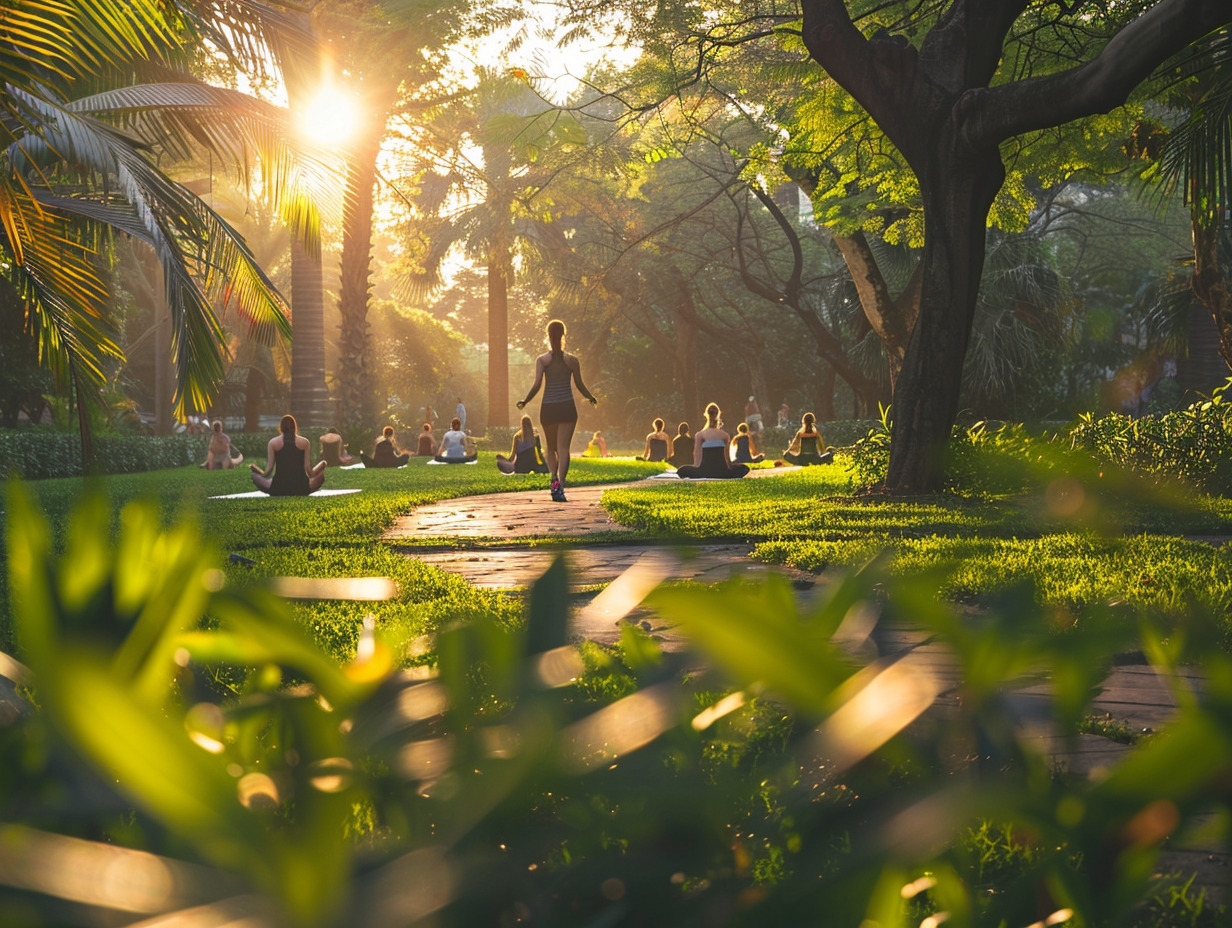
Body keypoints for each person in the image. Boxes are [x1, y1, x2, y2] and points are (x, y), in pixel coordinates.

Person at [516, 319, 597, 502]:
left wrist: (525, 401)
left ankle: (553, 480)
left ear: (548, 335)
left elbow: (537, 385)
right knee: (563, 449)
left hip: (549, 408)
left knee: (550, 448)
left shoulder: (542, 360)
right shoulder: (572, 361)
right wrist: (590, 398)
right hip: (567, 407)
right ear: (563, 335)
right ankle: (561, 484)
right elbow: (579, 385)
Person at [250, 414, 325, 496]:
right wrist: (321, 468)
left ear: (281, 427)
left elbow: (268, 471)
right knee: (321, 476)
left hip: (279, 488)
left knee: (254, 476)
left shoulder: (273, 442)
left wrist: (257, 472)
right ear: (294, 426)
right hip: (301, 488)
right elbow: (310, 472)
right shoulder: (305, 442)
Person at [677, 403, 749, 479]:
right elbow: (727, 458)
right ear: (718, 415)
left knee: (681, 470)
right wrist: (730, 468)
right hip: (721, 471)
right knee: (744, 468)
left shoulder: (700, 435)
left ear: (706, 415)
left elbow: (697, 455)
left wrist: (696, 469)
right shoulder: (724, 435)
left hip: (705, 470)